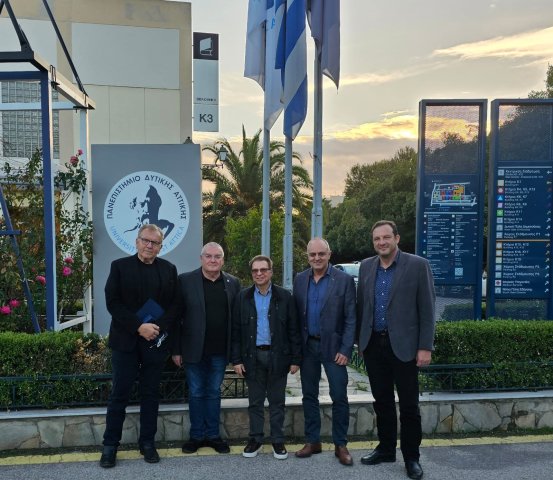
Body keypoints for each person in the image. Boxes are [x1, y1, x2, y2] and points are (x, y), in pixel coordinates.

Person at [357, 220, 436, 480]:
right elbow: (362, 306)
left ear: (397, 238)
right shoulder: (366, 266)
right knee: (382, 402)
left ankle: (411, 458)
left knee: (409, 406)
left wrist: (425, 347)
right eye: (377, 238)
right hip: (373, 345)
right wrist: (360, 341)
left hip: (405, 347)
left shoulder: (417, 265)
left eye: (386, 237)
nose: (381, 242)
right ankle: (386, 449)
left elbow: (427, 309)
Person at [100, 224, 178, 468]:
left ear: (160, 247)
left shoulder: (169, 269)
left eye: (154, 242)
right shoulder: (119, 267)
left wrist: (156, 328)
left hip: (154, 342)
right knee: (119, 394)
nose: (149, 245)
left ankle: (147, 443)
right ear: (136, 241)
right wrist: (138, 327)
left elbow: (175, 305)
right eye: (145, 240)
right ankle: (110, 446)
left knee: (151, 395)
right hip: (125, 342)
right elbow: (112, 302)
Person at [171, 242, 240, 454]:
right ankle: (196, 436)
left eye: (217, 256)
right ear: (201, 258)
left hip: (219, 351)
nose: (213, 260)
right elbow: (175, 318)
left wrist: (235, 353)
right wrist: (176, 350)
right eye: (208, 256)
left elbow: (237, 321)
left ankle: (213, 436)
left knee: (213, 393)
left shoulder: (233, 283)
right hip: (193, 350)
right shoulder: (185, 281)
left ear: (223, 260)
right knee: (196, 392)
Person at [293, 238, 356, 466]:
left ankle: (341, 444)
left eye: (321, 254)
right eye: (312, 254)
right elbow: (296, 316)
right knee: (309, 395)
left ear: (329, 254)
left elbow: (351, 318)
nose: (317, 258)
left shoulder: (344, 280)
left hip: (334, 349)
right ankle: (313, 441)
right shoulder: (300, 279)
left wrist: (346, 349)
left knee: (339, 396)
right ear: (308, 256)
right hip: (308, 347)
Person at [231, 255, 302, 460]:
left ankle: (278, 440)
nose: (259, 273)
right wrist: (237, 360)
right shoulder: (242, 297)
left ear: (271, 272)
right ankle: (255, 439)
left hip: (278, 357)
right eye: (255, 270)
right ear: (251, 273)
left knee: (277, 402)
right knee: (255, 402)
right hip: (252, 357)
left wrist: (296, 359)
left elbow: (293, 329)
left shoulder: (285, 296)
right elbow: (236, 332)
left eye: (263, 270)